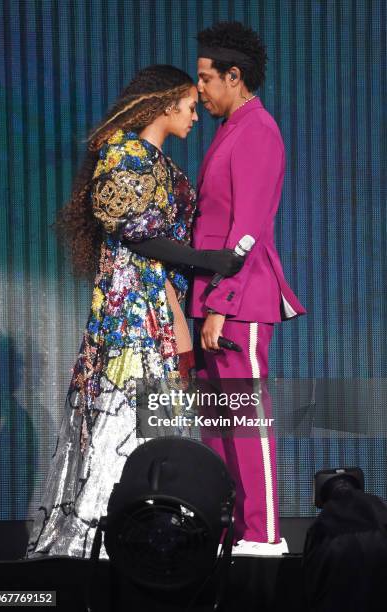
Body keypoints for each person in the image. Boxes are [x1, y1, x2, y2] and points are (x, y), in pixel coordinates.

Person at [26, 64, 243, 559]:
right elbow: (136, 231)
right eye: (191, 105)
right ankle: (101, 540)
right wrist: (211, 261)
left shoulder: (170, 171)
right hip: (128, 312)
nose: (195, 115)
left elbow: (173, 240)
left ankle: (158, 528)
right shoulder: (122, 153)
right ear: (167, 104)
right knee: (121, 415)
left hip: (163, 310)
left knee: (163, 416)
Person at [187, 22, 306, 555]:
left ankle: (263, 536)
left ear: (235, 78)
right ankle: (231, 528)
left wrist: (219, 304)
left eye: (206, 79)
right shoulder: (231, 129)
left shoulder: (257, 130)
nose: (199, 90)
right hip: (214, 302)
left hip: (238, 303)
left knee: (246, 421)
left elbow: (248, 229)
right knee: (218, 426)